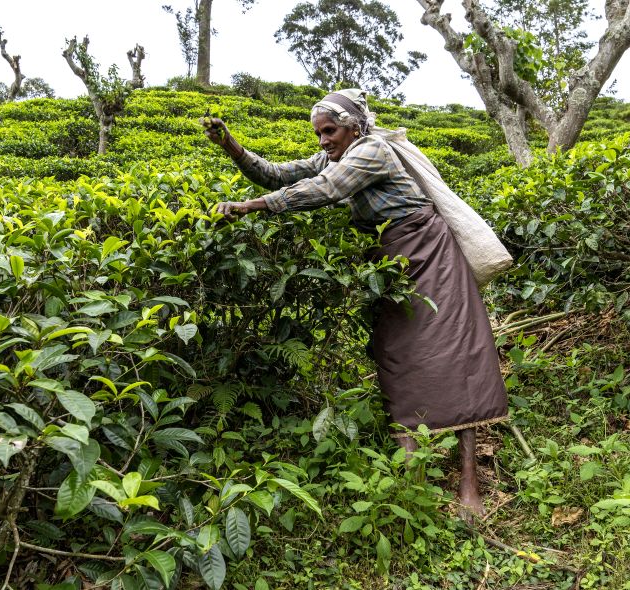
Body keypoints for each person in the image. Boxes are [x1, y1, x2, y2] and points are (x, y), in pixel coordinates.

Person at [203, 88, 508, 517]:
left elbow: (328, 189)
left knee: (454, 356)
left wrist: (250, 207)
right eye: (318, 134)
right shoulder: (334, 156)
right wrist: (231, 145)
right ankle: (410, 469)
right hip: (389, 263)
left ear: (354, 126)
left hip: (430, 252)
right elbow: (277, 174)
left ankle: (468, 483)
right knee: (395, 354)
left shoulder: (373, 151)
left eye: (330, 131)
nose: (323, 141)